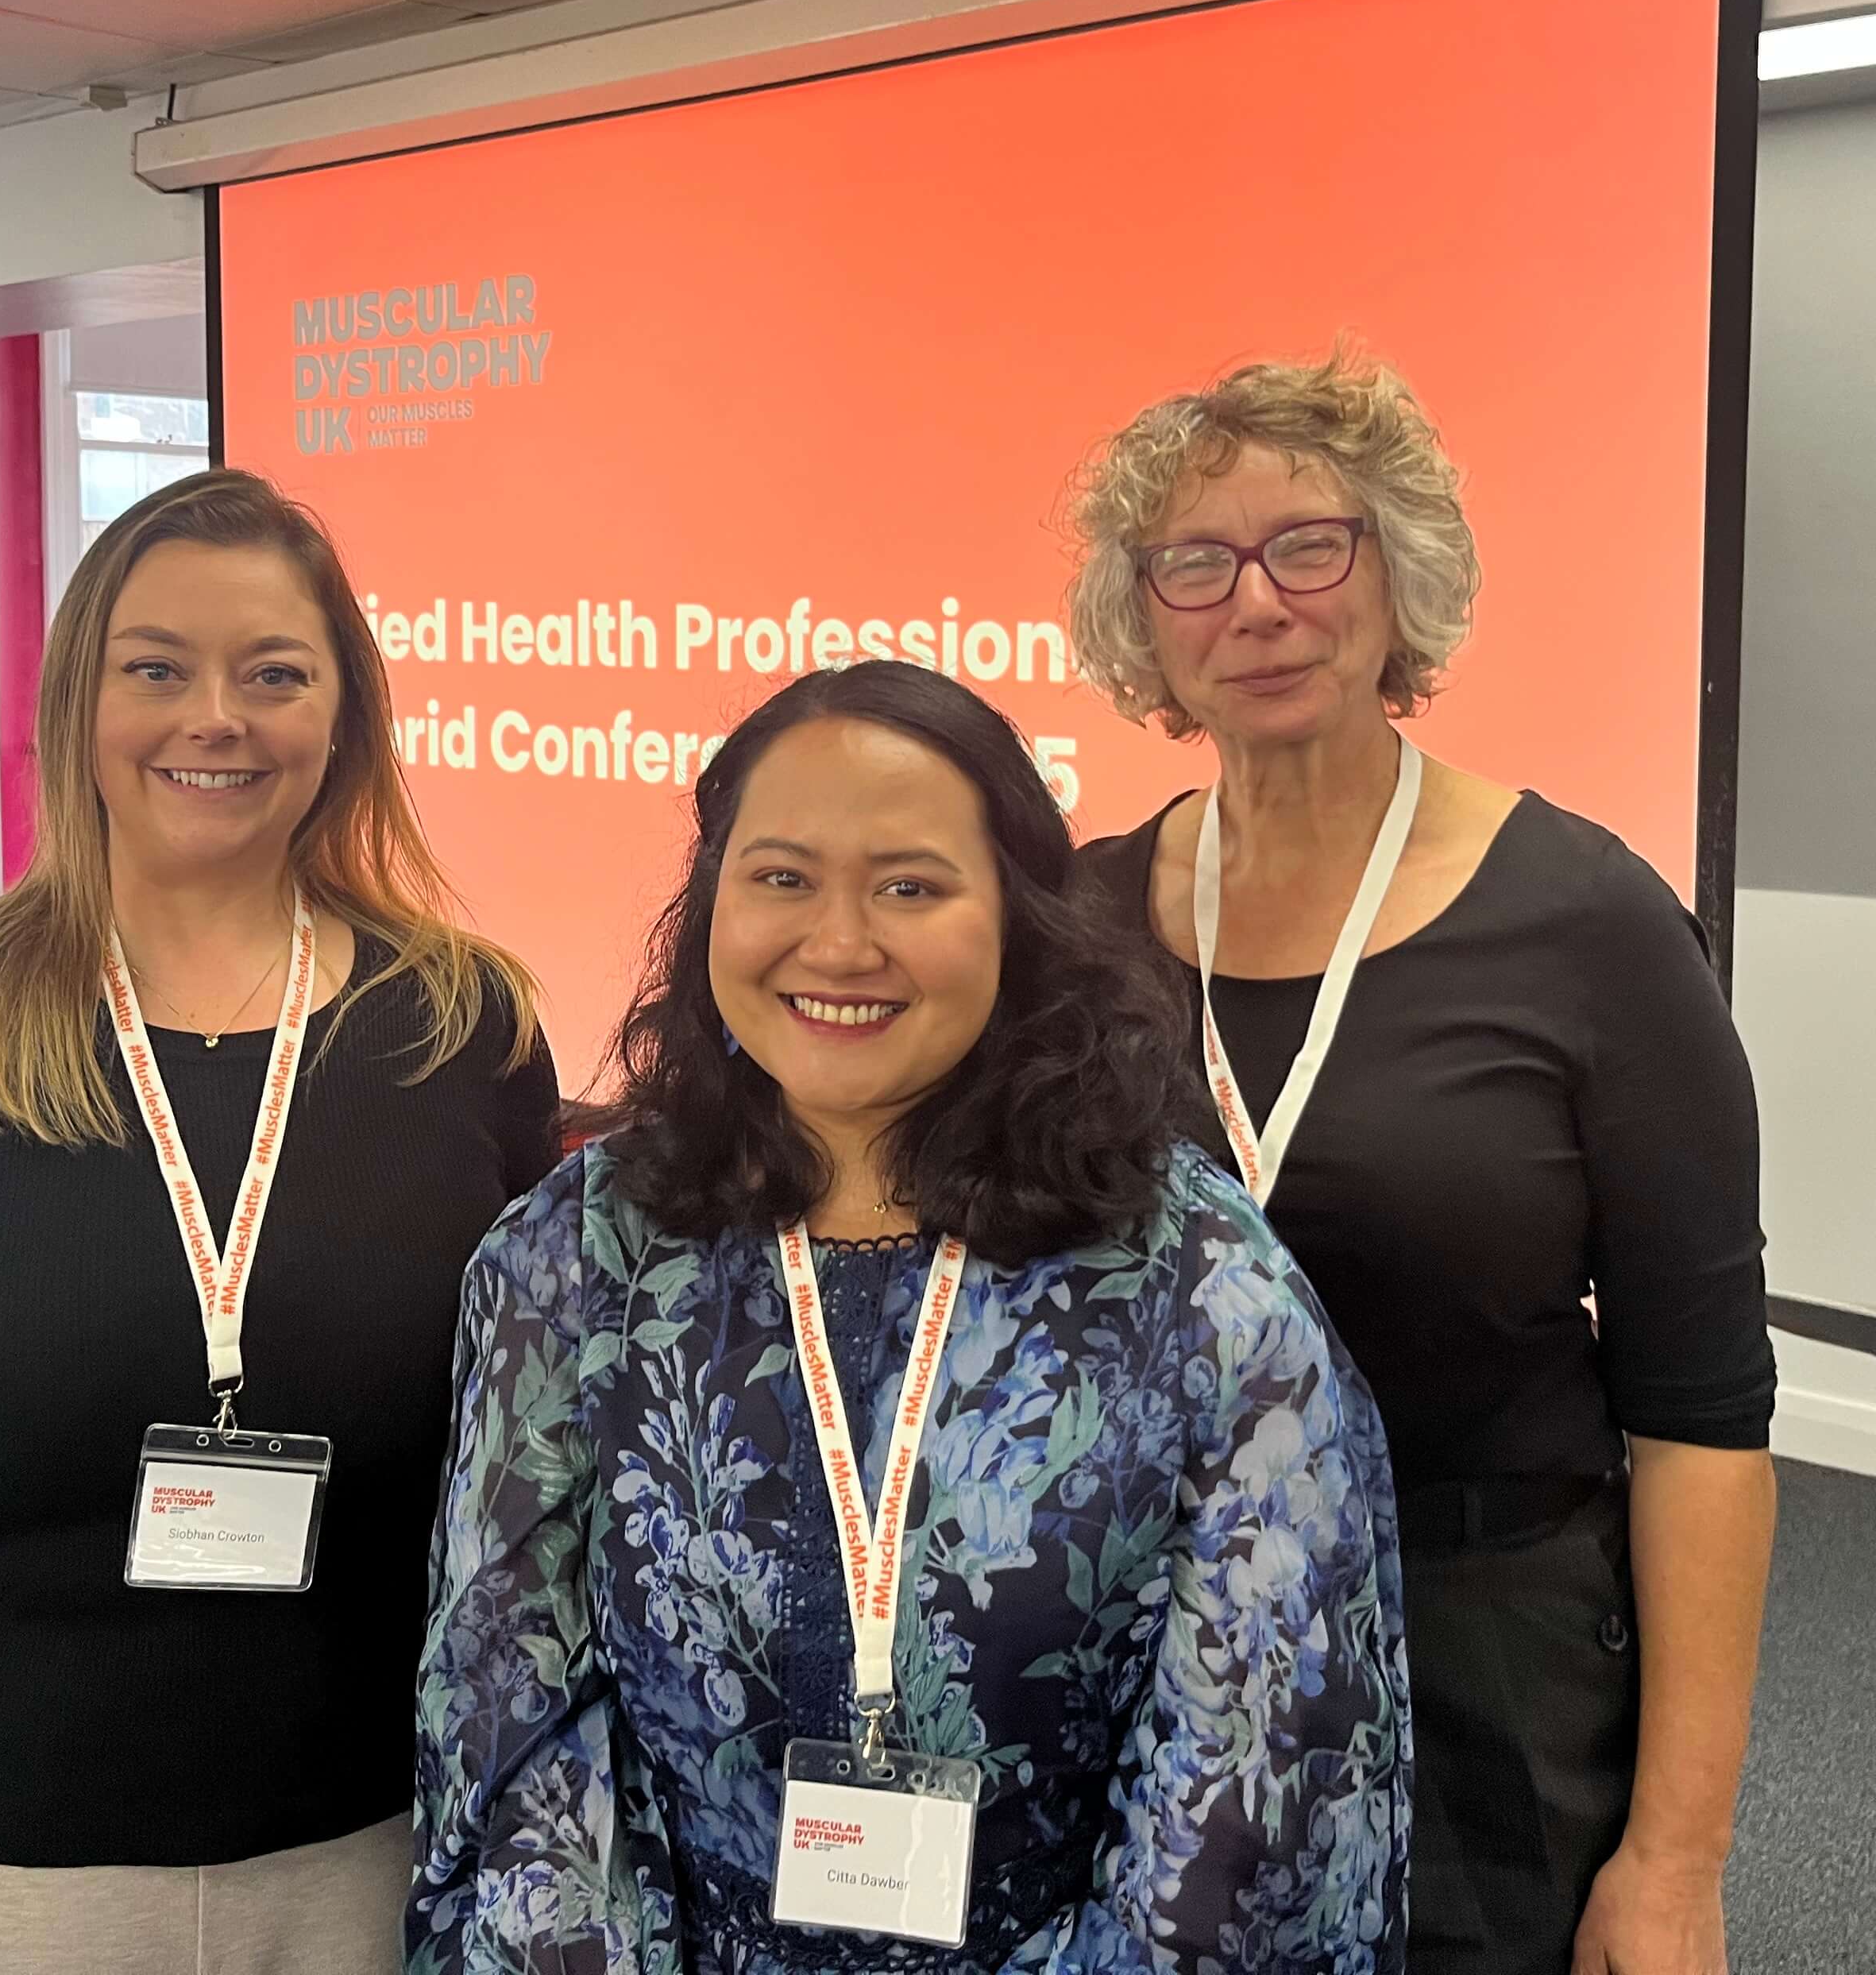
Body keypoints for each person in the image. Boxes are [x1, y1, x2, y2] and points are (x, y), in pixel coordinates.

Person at [411, 661, 1408, 1974]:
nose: (837, 943)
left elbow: (1259, 1811)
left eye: (910, 886)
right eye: (780, 878)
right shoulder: (577, 1256)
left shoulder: (1198, 1288)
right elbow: (515, 1727)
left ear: (1018, 913)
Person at [0, 468, 557, 1975]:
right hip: (10, 1875)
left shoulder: (460, 1033)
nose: (212, 717)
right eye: (155, 668)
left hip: (378, 1855)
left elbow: (521, 1502)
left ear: (344, 714)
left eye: (273, 674)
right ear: (74, 707)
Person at [1066, 346, 1778, 1975]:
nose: (1258, 603)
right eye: (1196, 562)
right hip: (1147, 1637)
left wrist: (1677, 1859)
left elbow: (1704, 1424)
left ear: (1399, 579)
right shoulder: (1079, 925)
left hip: (1481, 1656)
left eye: (1310, 545)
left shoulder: (1589, 925)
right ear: (1146, 617)